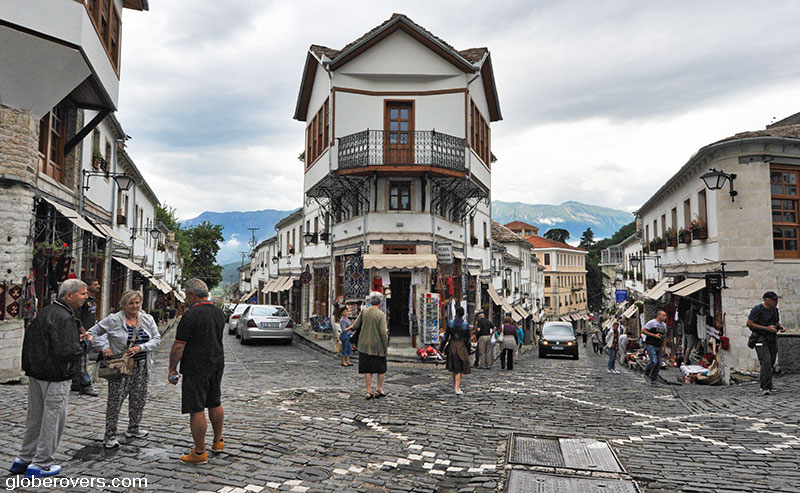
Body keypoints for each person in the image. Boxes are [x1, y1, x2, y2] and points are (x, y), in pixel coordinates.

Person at [11, 279, 92, 478]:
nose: (86, 297)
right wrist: (87, 345)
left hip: (37, 373)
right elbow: (67, 350)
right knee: (52, 419)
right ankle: (41, 463)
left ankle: (24, 458)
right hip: (55, 375)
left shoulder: (46, 311)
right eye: (82, 293)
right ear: (69, 295)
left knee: (35, 418)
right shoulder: (64, 317)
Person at [88, 290, 161, 448]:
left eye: (137, 303)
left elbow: (156, 339)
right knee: (115, 401)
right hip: (119, 366)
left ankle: (133, 428)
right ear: (123, 305)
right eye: (131, 303)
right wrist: (105, 347)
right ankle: (110, 435)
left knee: (138, 398)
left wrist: (141, 347)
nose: (135, 306)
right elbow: (93, 332)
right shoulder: (114, 320)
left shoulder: (147, 319)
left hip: (141, 366)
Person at [168, 279, 227, 464]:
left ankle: (200, 452)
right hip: (216, 362)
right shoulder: (219, 312)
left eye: (186, 295)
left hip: (196, 365)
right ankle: (218, 441)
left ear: (192, 294)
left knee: (196, 407)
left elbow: (179, 346)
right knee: (215, 401)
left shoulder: (190, 315)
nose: (185, 298)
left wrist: (172, 368)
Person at [349, 291, 389, 399]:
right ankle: (378, 389)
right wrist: (386, 347)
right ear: (380, 303)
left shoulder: (364, 311)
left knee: (367, 368)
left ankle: (368, 391)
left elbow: (356, 325)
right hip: (378, 346)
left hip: (364, 344)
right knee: (381, 368)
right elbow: (383, 332)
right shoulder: (381, 315)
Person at [747, 291, 785, 395]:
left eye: (776, 300)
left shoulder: (775, 310)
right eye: (773, 300)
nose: (775, 302)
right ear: (766, 300)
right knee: (766, 362)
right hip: (759, 338)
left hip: (771, 339)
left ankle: (769, 385)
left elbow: (776, 322)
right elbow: (750, 323)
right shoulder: (757, 309)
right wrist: (766, 328)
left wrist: (780, 326)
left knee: (771, 362)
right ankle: (765, 387)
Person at [71, 277, 100, 397]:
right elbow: (76, 317)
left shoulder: (92, 300)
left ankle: (76, 383)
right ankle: (86, 384)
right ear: (88, 287)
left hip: (90, 333)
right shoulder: (82, 301)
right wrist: (82, 331)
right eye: (95, 284)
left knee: (82, 359)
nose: (98, 286)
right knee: (83, 360)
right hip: (82, 334)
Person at [441, 306, 471, 394]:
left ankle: (455, 385)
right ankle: (457, 388)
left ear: (456, 313)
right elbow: (468, 340)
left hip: (452, 345)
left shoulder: (450, 323)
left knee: (454, 367)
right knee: (459, 368)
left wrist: (441, 348)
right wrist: (468, 350)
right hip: (461, 346)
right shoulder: (465, 325)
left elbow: (445, 337)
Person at [642, 309, 668, 385]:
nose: (665, 317)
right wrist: (654, 335)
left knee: (659, 363)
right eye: (663, 316)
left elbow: (665, 336)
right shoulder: (652, 323)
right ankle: (645, 374)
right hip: (651, 344)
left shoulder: (664, 325)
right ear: (659, 315)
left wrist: (664, 347)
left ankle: (654, 379)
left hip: (659, 345)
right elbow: (643, 331)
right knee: (654, 361)